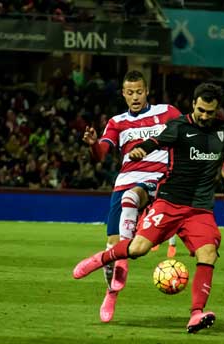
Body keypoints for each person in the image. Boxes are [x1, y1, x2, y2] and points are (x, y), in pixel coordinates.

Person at [73, 83, 224, 333]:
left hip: (200, 209)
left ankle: (196, 314)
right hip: (169, 201)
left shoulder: (222, 130)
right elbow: (156, 140)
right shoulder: (179, 126)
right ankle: (102, 258)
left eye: (211, 112)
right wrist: (142, 150)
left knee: (208, 254)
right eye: (202, 110)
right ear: (194, 104)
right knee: (138, 248)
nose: (206, 116)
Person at [82, 70, 181, 323]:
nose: (135, 97)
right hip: (124, 181)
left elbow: (188, 134)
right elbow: (100, 154)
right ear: (123, 94)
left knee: (133, 196)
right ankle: (111, 293)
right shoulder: (116, 122)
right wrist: (93, 144)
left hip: (156, 181)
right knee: (111, 249)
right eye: (130, 92)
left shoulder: (167, 113)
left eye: (139, 91)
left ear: (146, 91)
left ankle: (124, 262)